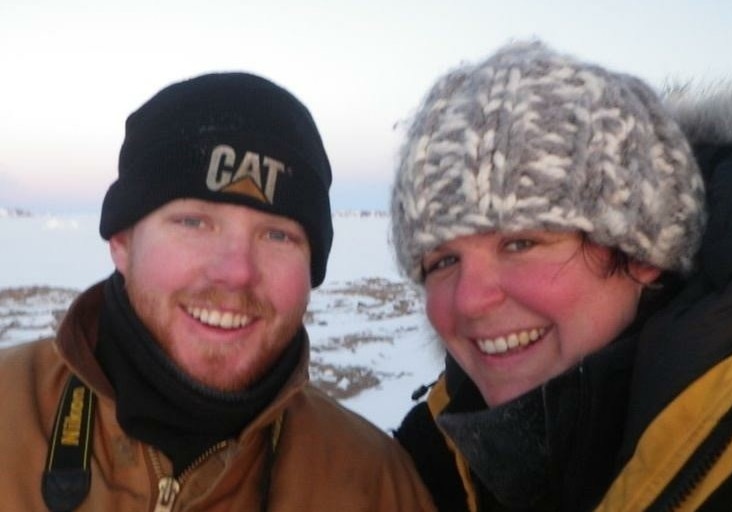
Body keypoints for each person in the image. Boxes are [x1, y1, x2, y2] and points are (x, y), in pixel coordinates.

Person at [0, 72, 436, 511]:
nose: (236, 273)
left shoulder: (374, 484)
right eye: (194, 223)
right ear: (122, 241)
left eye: (277, 236)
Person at [390, 40, 732, 511]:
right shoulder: (416, 474)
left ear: (640, 253)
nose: (468, 301)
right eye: (442, 261)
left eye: (520, 243)